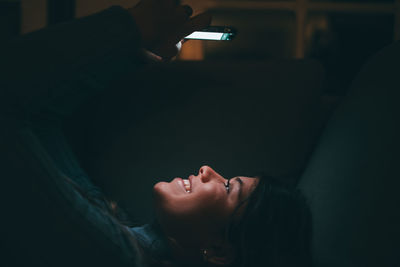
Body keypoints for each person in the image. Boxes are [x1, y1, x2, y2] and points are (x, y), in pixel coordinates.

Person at [0, 0, 312, 266]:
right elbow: (41, 119)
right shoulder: (111, 222)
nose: (207, 170)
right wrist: (133, 54)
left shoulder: (111, 253)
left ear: (218, 251)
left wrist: (131, 29)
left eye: (230, 188)